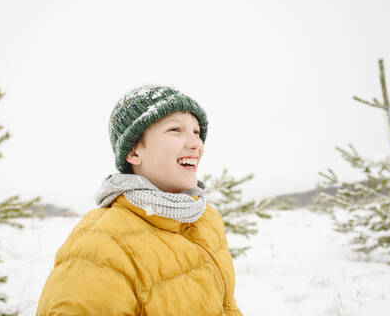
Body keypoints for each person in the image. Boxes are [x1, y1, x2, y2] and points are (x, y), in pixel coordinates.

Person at [37, 85, 242, 315]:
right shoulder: (99, 246)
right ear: (134, 152)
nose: (196, 143)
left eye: (196, 132)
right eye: (175, 129)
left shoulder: (206, 220)